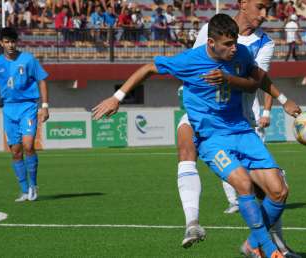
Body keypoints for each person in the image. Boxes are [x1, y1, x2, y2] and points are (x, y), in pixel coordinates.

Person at [93, 14, 286, 258]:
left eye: (234, 42)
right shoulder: (190, 61)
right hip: (212, 138)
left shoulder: (242, 55)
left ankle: (252, 244)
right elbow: (149, 68)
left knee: (279, 191)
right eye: (227, 44)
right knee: (244, 185)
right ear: (210, 43)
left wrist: (284, 100)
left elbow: (256, 81)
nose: (233, 48)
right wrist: (117, 97)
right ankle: (269, 251)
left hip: (242, 130)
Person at [177, 1, 302, 257]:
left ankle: (266, 244)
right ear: (243, 4)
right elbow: (196, 65)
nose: (265, 15)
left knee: (274, 189)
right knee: (186, 147)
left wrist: (274, 105)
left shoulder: (264, 43)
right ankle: (192, 222)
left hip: (241, 121)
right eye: (261, 7)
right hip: (205, 115)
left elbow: (256, 82)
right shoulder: (209, 30)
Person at [0, 27, 49, 202]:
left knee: (28, 145)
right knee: (16, 152)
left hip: (27, 106)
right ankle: (24, 190)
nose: (10, 45)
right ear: (1, 43)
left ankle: (33, 185)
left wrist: (45, 106)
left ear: (16, 42)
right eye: (6, 41)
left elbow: (42, 81)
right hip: (9, 109)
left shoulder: (28, 59)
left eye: (13, 41)